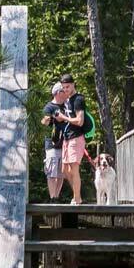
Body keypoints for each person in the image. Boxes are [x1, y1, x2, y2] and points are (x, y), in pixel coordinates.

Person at [53, 73, 86, 205]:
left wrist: (64, 118)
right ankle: (77, 194)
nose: (65, 90)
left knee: (74, 168)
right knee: (65, 170)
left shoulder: (78, 99)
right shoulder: (67, 100)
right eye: (63, 88)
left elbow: (80, 121)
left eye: (67, 87)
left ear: (73, 85)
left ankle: (77, 198)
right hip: (67, 138)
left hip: (76, 138)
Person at [40, 82, 67, 202]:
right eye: (63, 91)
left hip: (65, 143)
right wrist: (50, 118)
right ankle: (52, 197)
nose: (65, 93)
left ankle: (56, 195)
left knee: (61, 173)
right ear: (57, 93)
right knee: (52, 172)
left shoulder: (66, 106)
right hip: (52, 144)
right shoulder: (49, 107)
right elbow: (43, 122)